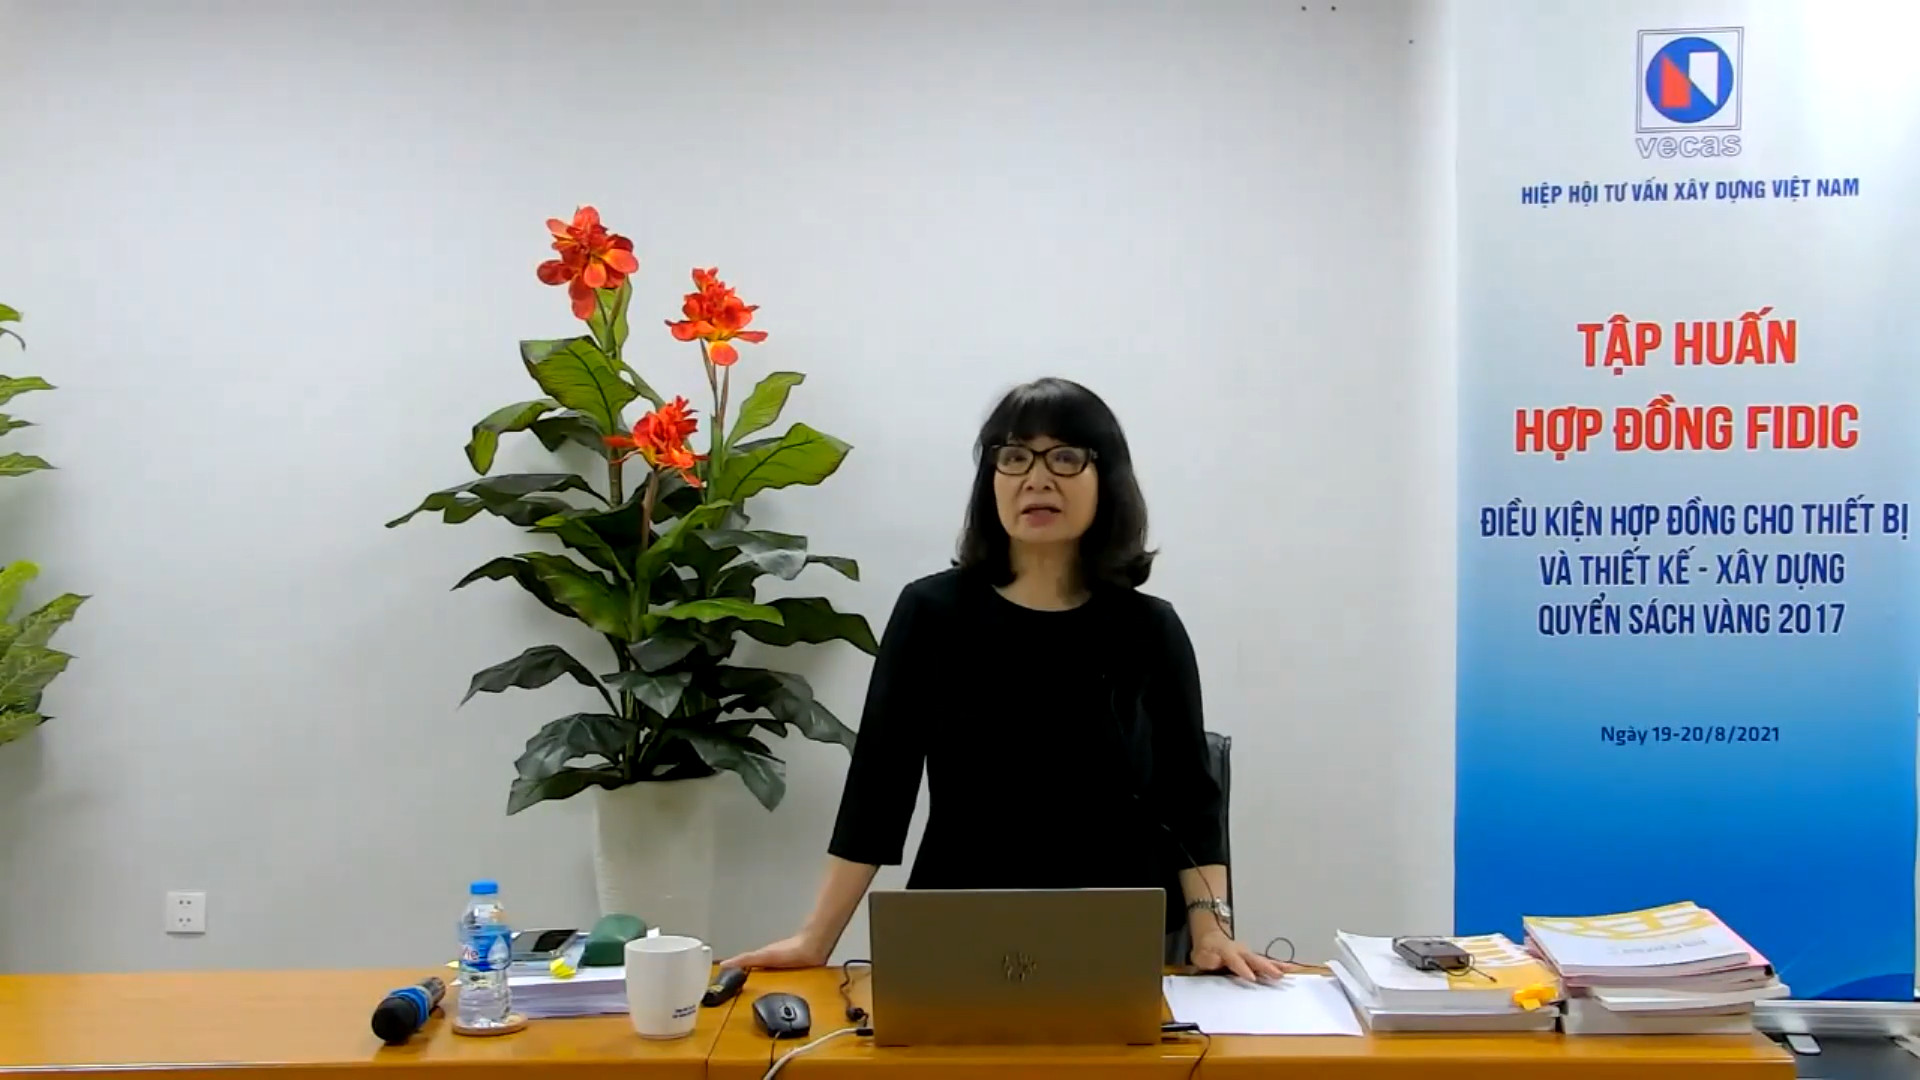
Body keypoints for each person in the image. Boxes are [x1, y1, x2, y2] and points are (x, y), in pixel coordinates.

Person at [723, 377, 1290, 982]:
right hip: (959, 924)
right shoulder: (931, 613)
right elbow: (879, 788)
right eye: (1015, 457)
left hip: (1113, 936)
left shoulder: (1149, 629)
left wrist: (1211, 932)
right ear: (990, 480)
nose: (1037, 479)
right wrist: (816, 939)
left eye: (1065, 457)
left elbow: (1189, 796)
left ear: (1107, 479)